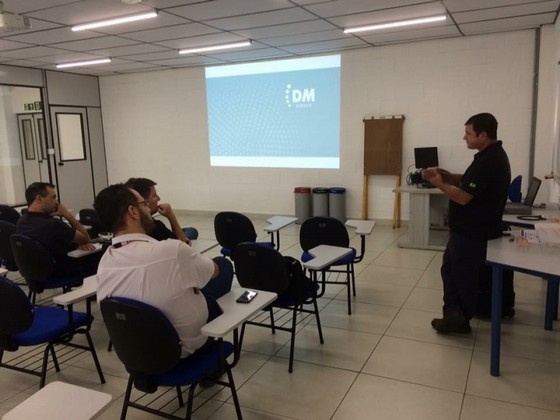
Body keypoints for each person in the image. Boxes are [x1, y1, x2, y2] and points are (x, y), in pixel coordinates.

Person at [94, 184, 233, 358]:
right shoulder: (171, 251)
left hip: (135, 353)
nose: (149, 207)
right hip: (182, 349)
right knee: (222, 265)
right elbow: (214, 272)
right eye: (144, 203)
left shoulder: (105, 261)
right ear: (133, 212)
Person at [422, 113, 511, 334]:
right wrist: (447, 175)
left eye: (469, 133)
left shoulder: (488, 161)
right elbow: (471, 181)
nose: (465, 138)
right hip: (469, 231)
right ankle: (454, 316)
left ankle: (458, 320)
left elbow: (463, 197)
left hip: (471, 233)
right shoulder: (490, 156)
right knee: (451, 270)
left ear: (483, 135)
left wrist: (438, 183)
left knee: (462, 277)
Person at [16, 182, 99, 277]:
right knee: (99, 254)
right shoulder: (53, 225)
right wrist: (67, 215)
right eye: (53, 197)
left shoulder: (21, 221)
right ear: (39, 199)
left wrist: (77, 245)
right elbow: (86, 238)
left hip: (36, 273)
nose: (57, 202)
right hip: (62, 272)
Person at [124, 177, 198, 244]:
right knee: (191, 231)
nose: (159, 198)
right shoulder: (156, 227)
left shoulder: (122, 228)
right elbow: (182, 247)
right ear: (144, 201)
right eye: (154, 195)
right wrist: (171, 216)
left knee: (191, 230)